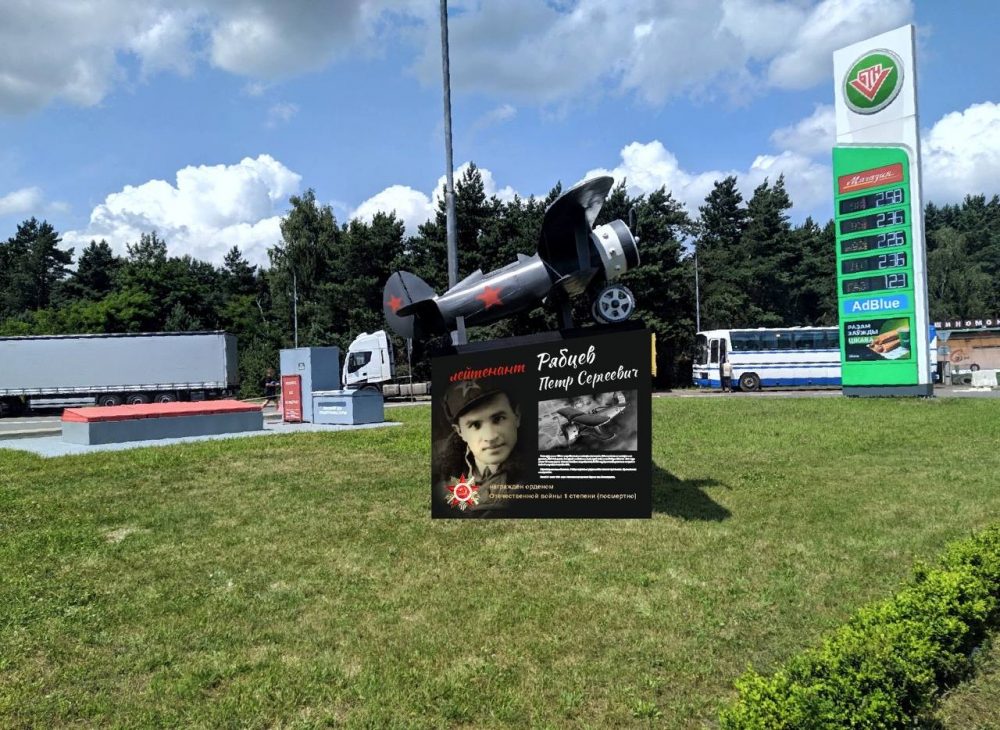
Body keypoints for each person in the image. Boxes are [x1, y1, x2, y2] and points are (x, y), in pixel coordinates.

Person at [434, 379, 525, 514]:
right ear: (459, 431)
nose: (490, 437)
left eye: (498, 419)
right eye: (475, 425)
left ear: (517, 416)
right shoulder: (440, 478)